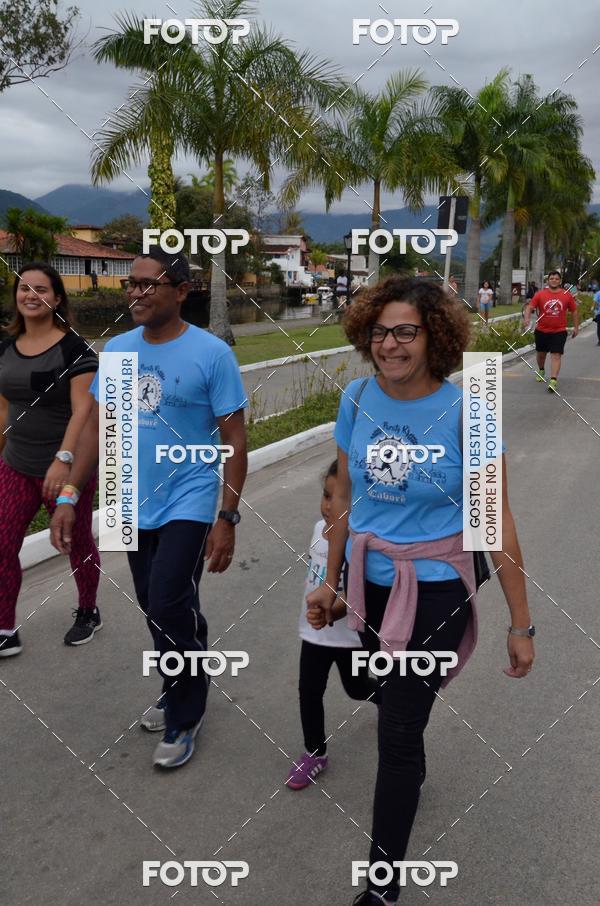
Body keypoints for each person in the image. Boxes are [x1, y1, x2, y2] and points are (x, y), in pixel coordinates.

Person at [307, 276, 534, 906]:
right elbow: (345, 498)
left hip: (435, 589)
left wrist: (521, 623)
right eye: (380, 331)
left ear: (435, 335)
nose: (390, 344)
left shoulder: (469, 414)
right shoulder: (355, 399)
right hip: (369, 582)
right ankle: (408, 728)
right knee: (367, 688)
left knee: (397, 734)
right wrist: (332, 581)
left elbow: (497, 521)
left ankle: (383, 883)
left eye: (406, 330)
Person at [50, 247, 248, 769]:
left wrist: (227, 517)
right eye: (129, 284)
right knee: (161, 604)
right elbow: (97, 428)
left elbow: (235, 438)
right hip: (127, 495)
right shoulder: (117, 351)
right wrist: (70, 493)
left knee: (165, 603)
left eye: (148, 283)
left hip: (190, 494)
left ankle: (185, 714)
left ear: (182, 292)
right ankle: (184, 676)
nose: (135, 292)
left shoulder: (211, 354)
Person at [0, 263, 100, 657]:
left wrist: (64, 459)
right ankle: (5, 627)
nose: (31, 295)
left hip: (67, 465)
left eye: (41, 289)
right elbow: (4, 408)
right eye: (24, 288)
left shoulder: (75, 350)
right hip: (16, 463)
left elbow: (83, 412)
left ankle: (88, 611)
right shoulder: (4, 349)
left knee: (74, 541)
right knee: (3, 542)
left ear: (57, 298)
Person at [286, 460, 379, 791]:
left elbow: (361, 592)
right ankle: (315, 752)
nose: (329, 506)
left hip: (350, 636)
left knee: (356, 688)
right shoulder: (316, 530)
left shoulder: (363, 543)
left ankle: (387, 702)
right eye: (326, 496)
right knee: (308, 690)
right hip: (314, 632)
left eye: (339, 499)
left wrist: (334, 610)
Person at [523, 270, 579, 394]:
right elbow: (530, 307)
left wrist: (576, 327)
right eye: (551, 278)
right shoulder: (540, 294)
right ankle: (541, 370)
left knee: (556, 355)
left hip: (559, 331)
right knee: (541, 354)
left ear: (560, 281)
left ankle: (553, 380)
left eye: (556, 278)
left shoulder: (566, 295)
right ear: (548, 281)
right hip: (542, 330)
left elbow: (574, 311)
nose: (554, 280)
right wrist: (526, 318)